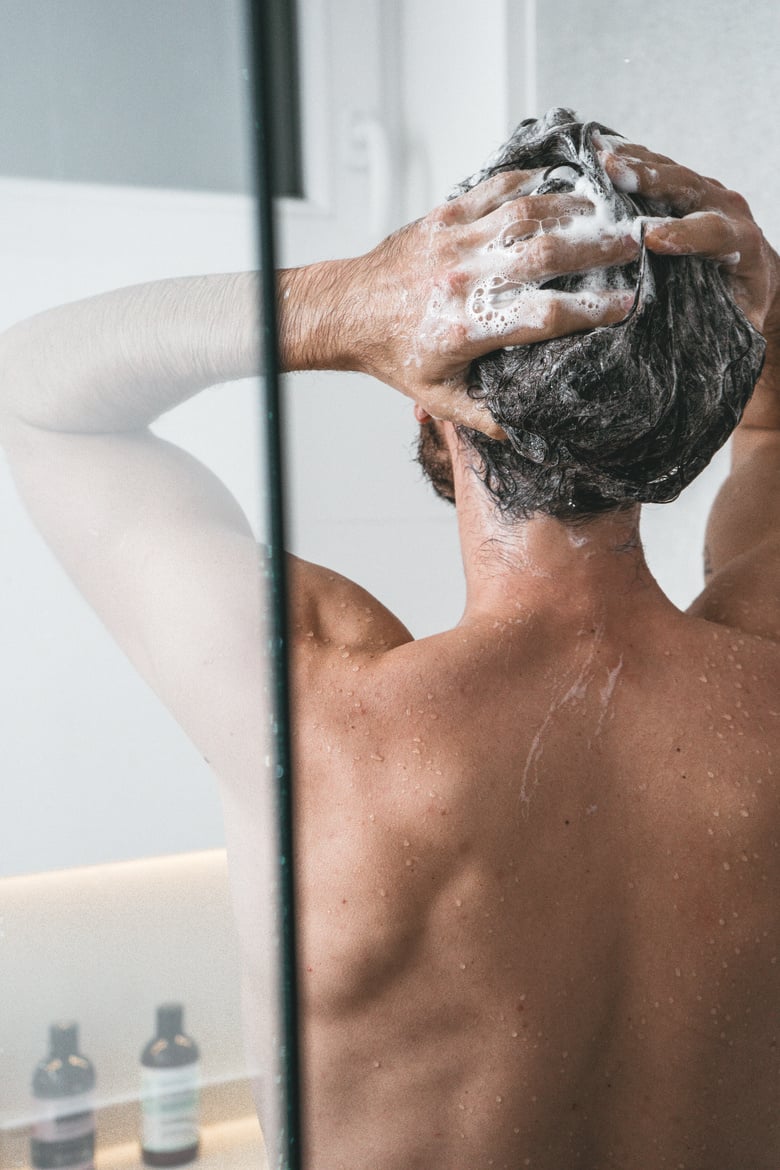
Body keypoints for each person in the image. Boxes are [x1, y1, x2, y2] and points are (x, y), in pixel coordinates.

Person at [0, 113, 778, 1169]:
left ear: (427, 413)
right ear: (689, 423)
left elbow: (35, 396)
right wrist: (745, 307)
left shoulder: (325, 717)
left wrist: (348, 302)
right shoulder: (762, 687)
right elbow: (772, 428)